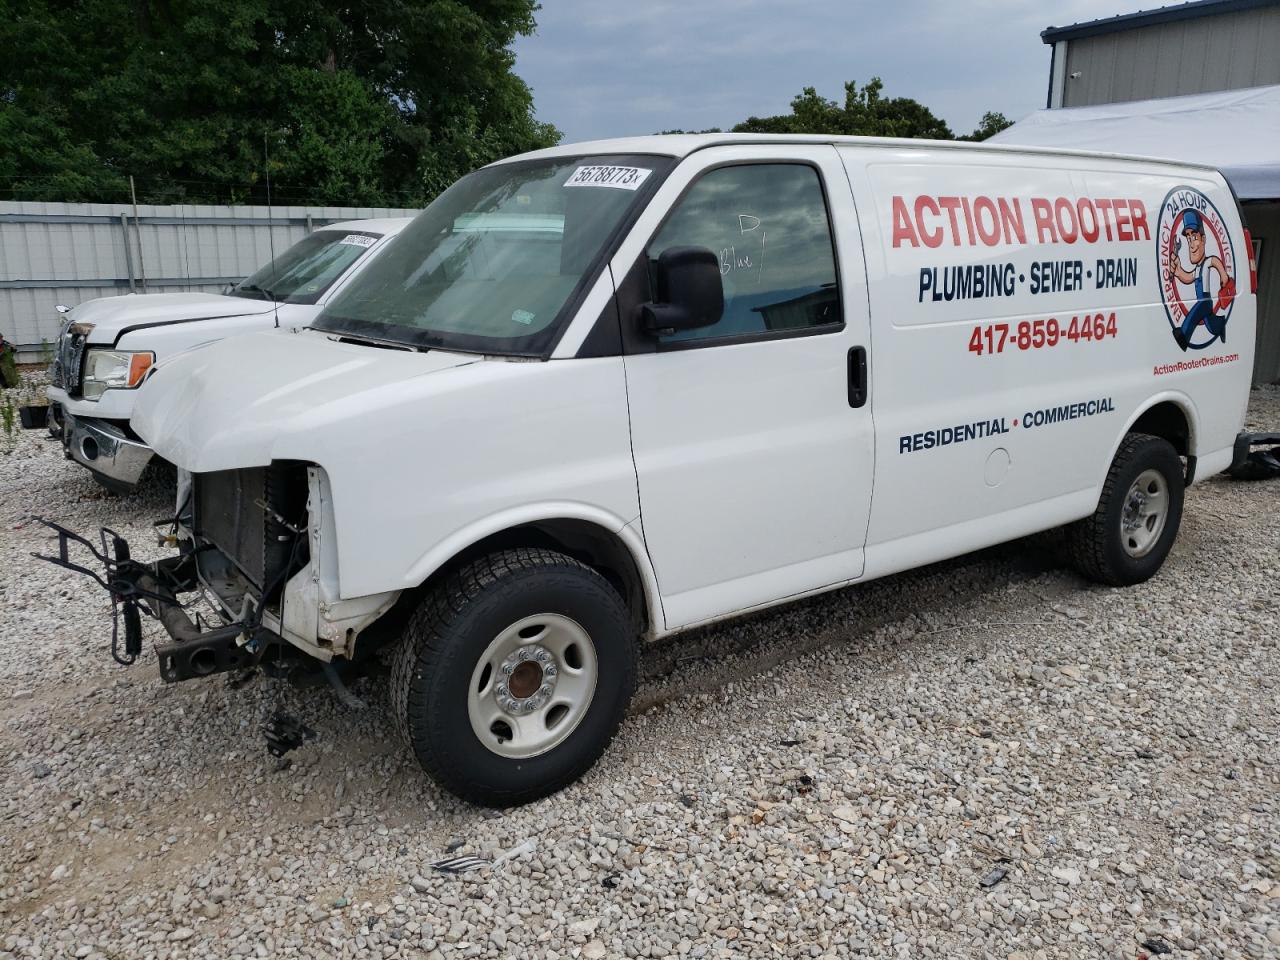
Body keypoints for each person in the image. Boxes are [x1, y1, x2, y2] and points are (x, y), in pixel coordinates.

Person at [1166, 210, 1234, 350]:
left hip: (1205, 301)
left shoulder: (1208, 261)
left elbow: (1217, 263)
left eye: (1194, 237)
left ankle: (1184, 336)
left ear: (1203, 239)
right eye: (1189, 239)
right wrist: (1178, 271)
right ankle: (1220, 325)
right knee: (1210, 325)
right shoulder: (1197, 268)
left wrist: (1224, 277)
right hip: (1204, 303)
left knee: (1194, 314)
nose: (1191, 244)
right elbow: (1188, 277)